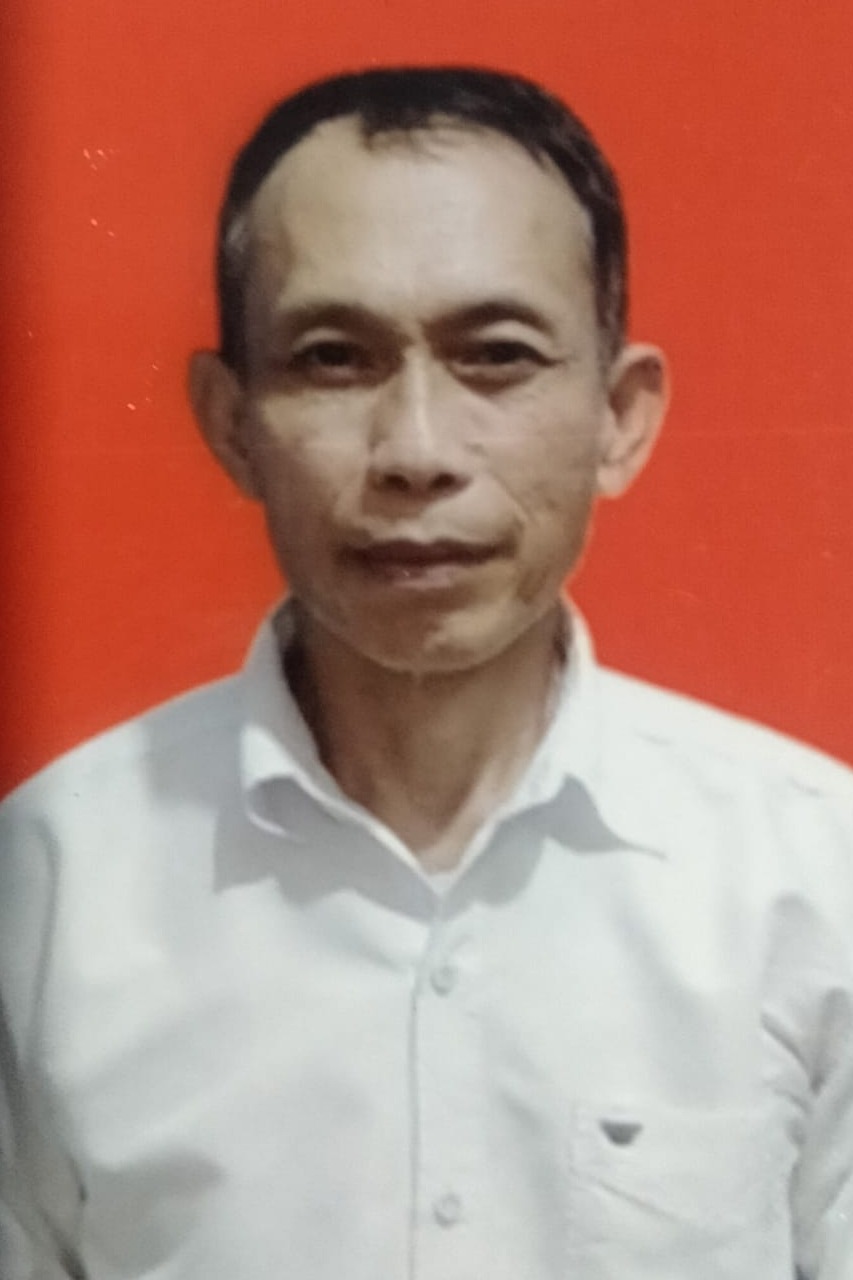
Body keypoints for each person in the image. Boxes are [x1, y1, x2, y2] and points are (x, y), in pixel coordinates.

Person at [1, 65, 851, 1280]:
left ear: (618, 415)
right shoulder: (44, 887)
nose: (414, 450)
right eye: (333, 357)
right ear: (232, 423)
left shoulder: (814, 881)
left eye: (495, 355)